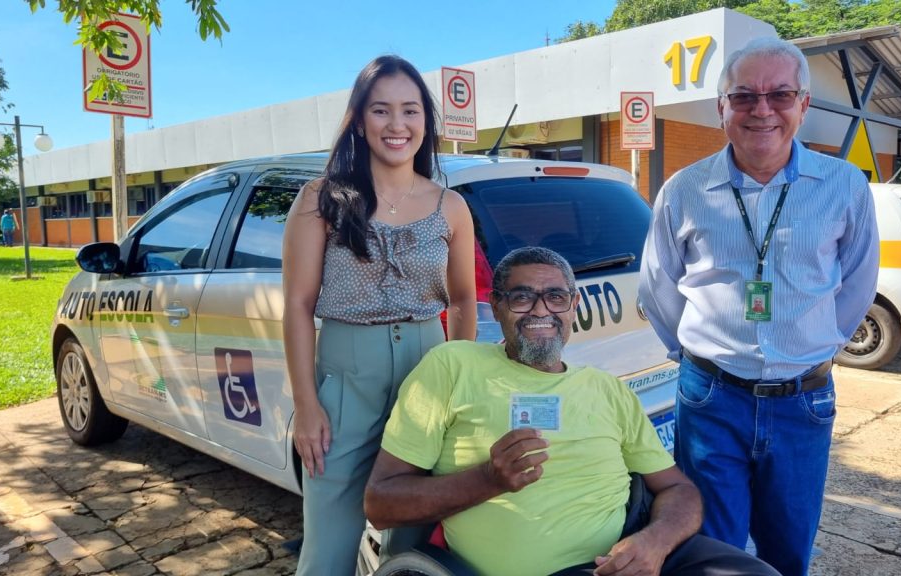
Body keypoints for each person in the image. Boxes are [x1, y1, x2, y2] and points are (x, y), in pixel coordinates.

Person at [366, 247, 779, 576]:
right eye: (522, 297)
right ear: (497, 306)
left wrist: (655, 542)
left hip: (630, 560)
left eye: (556, 297)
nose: (541, 310)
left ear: (573, 306)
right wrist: (488, 479)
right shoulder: (454, 365)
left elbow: (678, 490)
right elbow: (381, 505)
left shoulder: (605, 389)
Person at [638, 36, 879, 576]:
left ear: (804, 105)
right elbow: (658, 287)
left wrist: (813, 344)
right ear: (722, 107)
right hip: (710, 400)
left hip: (803, 401)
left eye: (780, 95)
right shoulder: (684, 189)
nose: (762, 110)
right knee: (711, 551)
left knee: (789, 549)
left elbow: (858, 283)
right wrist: (697, 355)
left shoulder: (843, 186)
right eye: (744, 96)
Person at [282, 54, 477, 575]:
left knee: (412, 542)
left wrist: (458, 381)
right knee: (328, 545)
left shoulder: (450, 206)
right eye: (381, 111)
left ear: (425, 122)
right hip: (346, 378)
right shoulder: (319, 200)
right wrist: (306, 403)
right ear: (360, 120)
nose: (397, 125)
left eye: (410, 111)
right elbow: (298, 306)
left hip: (429, 373)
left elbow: (461, 300)